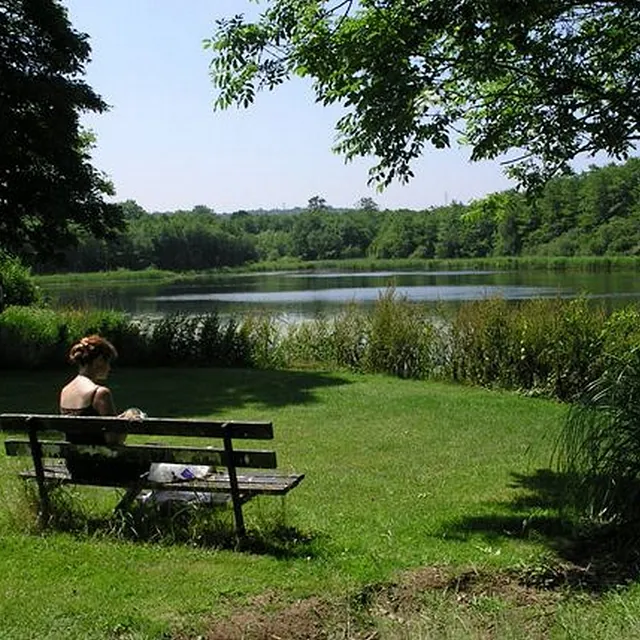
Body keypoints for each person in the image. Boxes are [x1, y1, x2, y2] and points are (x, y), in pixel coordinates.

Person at [59, 335, 146, 482]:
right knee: (156, 454)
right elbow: (113, 441)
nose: (109, 367)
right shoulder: (99, 393)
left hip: (76, 467)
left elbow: (86, 427)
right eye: (108, 362)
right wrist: (129, 420)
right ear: (99, 360)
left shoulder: (65, 391)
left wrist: (119, 418)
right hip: (104, 467)